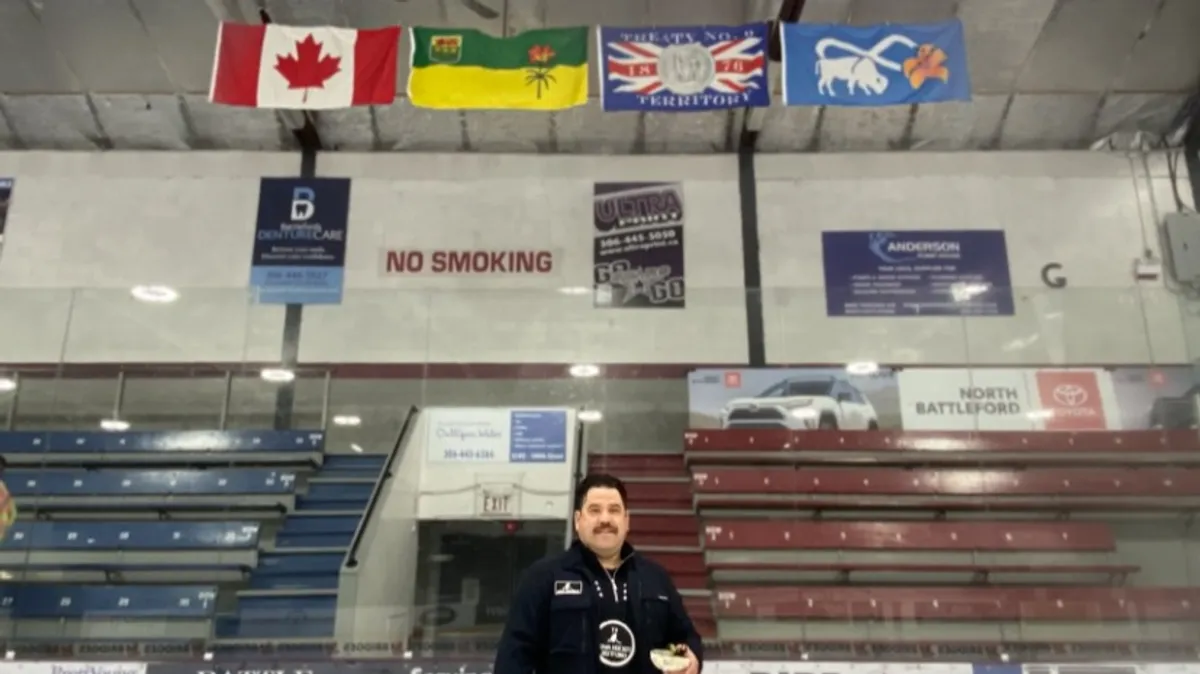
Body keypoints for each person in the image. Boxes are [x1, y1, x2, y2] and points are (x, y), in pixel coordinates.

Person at [494, 473, 703, 674]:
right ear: (578, 520)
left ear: (626, 520)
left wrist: (692, 657)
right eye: (594, 510)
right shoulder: (543, 578)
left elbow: (685, 638)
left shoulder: (656, 579)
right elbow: (514, 657)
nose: (605, 519)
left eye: (614, 510)